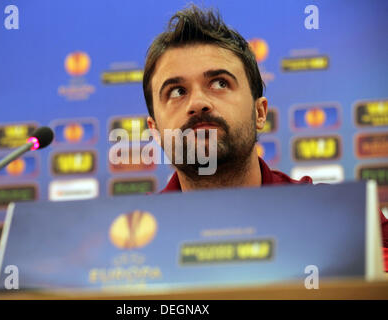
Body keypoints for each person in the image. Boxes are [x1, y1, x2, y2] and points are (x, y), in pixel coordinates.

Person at [142, 5, 388, 270]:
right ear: (155, 130)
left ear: (260, 113)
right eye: (177, 91)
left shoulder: (347, 221)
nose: (198, 103)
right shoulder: (127, 239)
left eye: (220, 83)